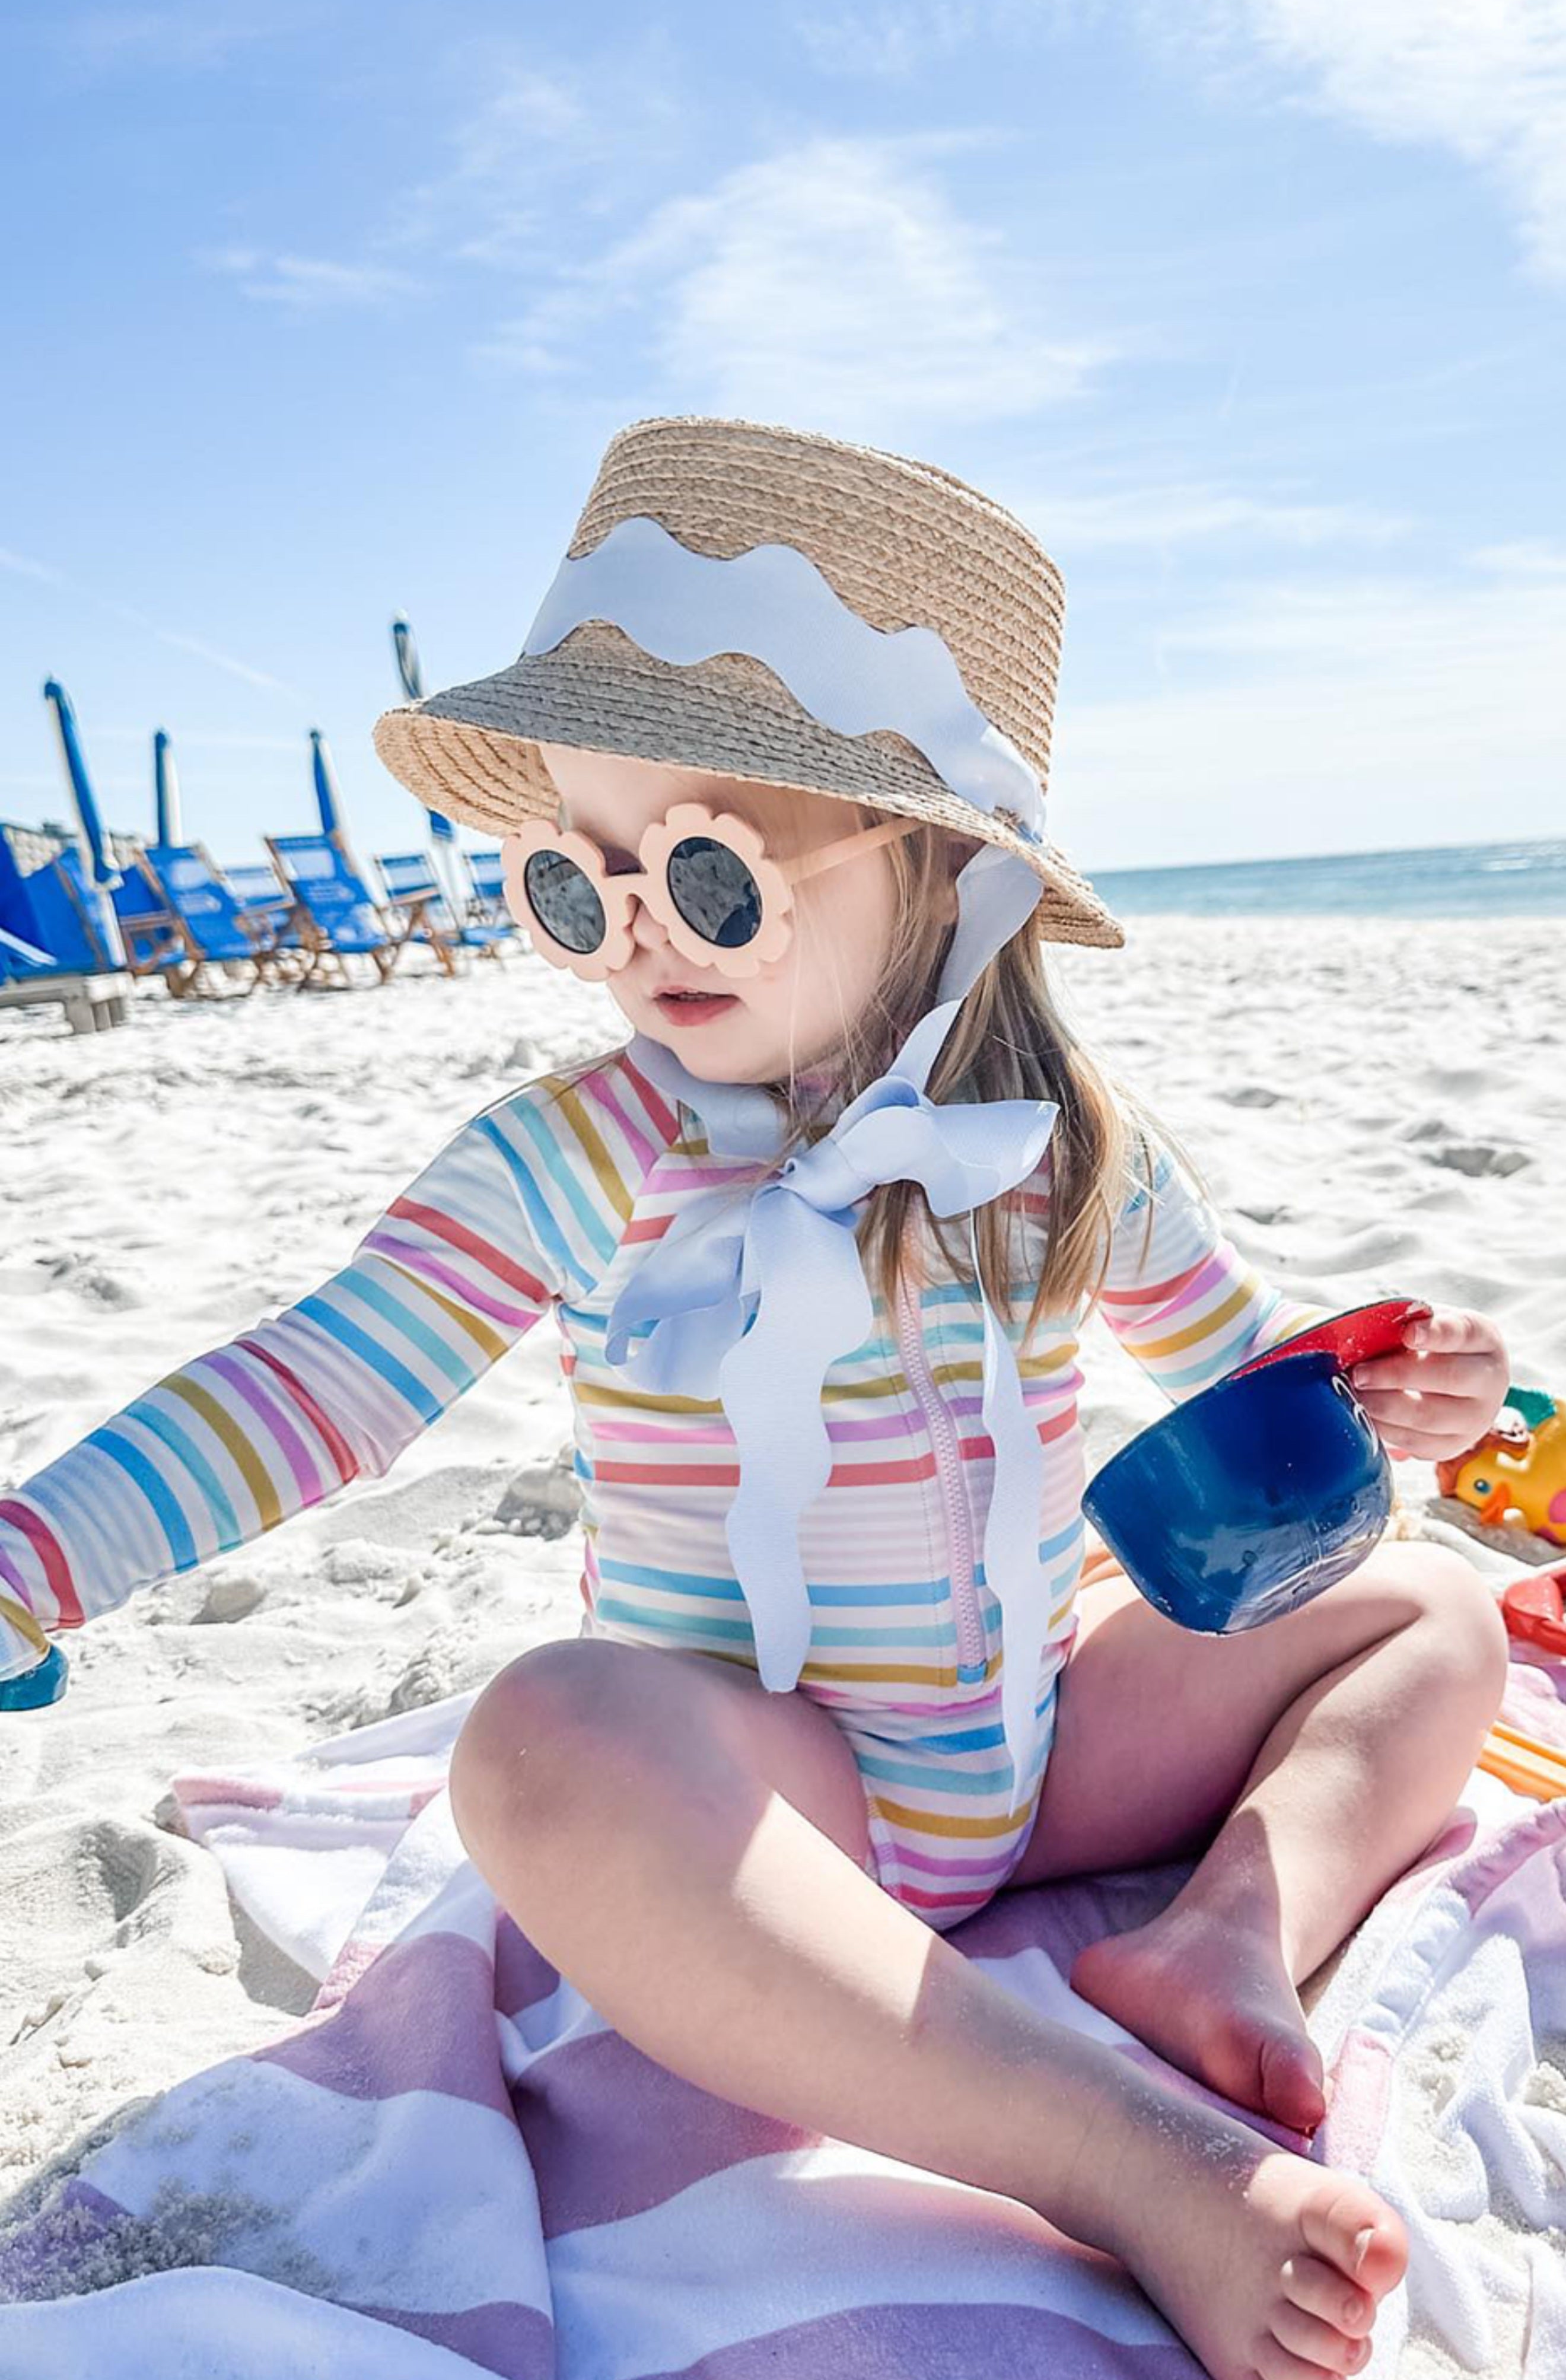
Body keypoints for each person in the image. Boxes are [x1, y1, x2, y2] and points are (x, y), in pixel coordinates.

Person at [1, 417, 1511, 2380]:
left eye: (705, 875)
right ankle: (1118, 2157)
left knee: (1440, 1613)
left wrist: (1399, 1388)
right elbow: (319, 1382)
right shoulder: (584, 1149)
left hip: (1048, 1747)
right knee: (545, 1742)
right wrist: (33, 1561)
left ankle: (1232, 1927)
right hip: (774, 1797)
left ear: (946, 869)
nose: (633, 936)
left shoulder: (1060, 1141)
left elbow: (1253, 1377)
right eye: (575, 881)